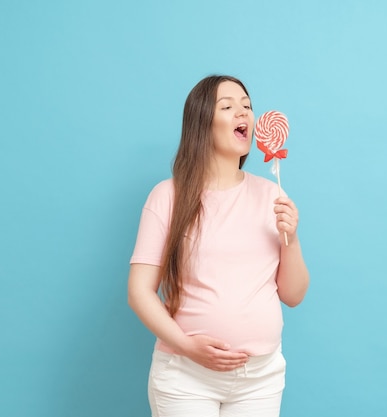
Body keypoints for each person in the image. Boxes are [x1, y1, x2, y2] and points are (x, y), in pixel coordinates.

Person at [128, 74, 310, 417]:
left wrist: (293, 238)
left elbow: (293, 295)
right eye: (227, 106)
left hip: (260, 378)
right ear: (201, 124)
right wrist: (186, 346)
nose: (242, 112)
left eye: (247, 105)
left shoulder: (272, 196)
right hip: (186, 375)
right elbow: (139, 291)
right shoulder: (168, 196)